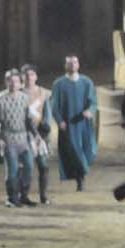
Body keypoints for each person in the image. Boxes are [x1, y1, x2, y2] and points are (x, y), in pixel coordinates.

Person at [49, 55, 98, 191]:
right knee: (74, 151)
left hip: (83, 124)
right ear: (65, 66)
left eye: (75, 62)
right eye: (69, 63)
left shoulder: (86, 82)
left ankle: (81, 175)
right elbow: (54, 105)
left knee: (85, 150)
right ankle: (80, 179)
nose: (72, 65)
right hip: (68, 125)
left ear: (78, 65)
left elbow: (93, 102)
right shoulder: (59, 84)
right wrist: (59, 121)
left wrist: (90, 110)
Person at [0, 69, 36, 207]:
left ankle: (24, 195)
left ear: (20, 83)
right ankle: (11, 197)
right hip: (8, 137)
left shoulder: (25, 98)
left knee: (29, 167)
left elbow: (28, 119)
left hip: (23, 137)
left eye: (16, 81)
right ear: (6, 82)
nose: (13, 83)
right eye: (10, 80)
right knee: (13, 170)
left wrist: (35, 135)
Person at [22, 65, 55, 205]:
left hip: (40, 134)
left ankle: (43, 195)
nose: (29, 77)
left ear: (36, 76)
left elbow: (47, 112)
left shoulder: (44, 93)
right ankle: (23, 194)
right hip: (24, 134)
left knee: (43, 165)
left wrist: (45, 129)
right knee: (26, 166)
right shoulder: (19, 93)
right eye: (26, 74)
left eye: (32, 74)